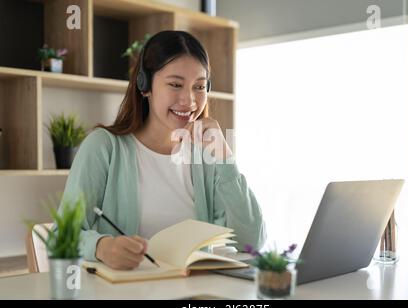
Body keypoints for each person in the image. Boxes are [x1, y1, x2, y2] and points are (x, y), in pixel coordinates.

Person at [59, 30, 266, 270]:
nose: (189, 100)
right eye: (175, 84)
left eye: (199, 87)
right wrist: (101, 247)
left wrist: (226, 160)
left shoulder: (207, 156)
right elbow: (63, 234)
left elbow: (252, 241)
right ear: (144, 86)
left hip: (192, 294)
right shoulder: (103, 146)